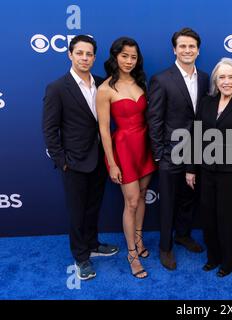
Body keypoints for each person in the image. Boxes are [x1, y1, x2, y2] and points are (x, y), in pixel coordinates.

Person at [42, 35, 118, 281]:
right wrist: (61, 160)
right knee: (77, 211)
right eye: (80, 53)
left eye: (89, 54)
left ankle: (93, 244)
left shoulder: (101, 83)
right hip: (73, 161)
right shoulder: (57, 88)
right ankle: (81, 257)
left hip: (99, 158)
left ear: (94, 57)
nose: (85, 58)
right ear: (70, 55)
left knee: (94, 206)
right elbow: (49, 129)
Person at [186, 58, 232, 277]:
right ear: (216, 81)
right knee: (208, 217)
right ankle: (213, 257)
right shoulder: (206, 103)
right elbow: (196, 136)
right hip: (206, 172)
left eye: (231, 77)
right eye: (222, 77)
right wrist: (190, 168)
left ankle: (230, 260)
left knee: (229, 220)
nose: (226, 82)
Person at [147, 27, 209, 270]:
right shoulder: (161, 79)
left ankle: (183, 235)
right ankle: (165, 246)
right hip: (170, 153)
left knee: (188, 199)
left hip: (198, 153)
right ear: (174, 49)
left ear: (198, 50)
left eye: (191, 46)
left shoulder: (205, 78)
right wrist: (160, 154)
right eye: (182, 46)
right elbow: (154, 120)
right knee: (168, 203)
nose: (187, 50)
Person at [97, 37, 156, 279]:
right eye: (124, 56)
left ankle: (139, 240)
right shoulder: (105, 89)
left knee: (141, 196)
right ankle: (131, 254)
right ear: (115, 57)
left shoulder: (141, 81)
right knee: (130, 202)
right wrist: (111, 163)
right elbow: (103, 130)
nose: (129, 61)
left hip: (145, 145)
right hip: (124, 149)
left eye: (133, 57)